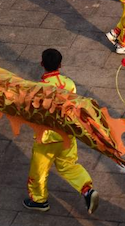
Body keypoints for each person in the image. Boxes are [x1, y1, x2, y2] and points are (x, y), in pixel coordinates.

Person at [23, 48, 100, 215]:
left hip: (46, 138)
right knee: (68, 165)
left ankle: (39, 200)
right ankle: (86, 189)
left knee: (39, 170)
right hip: (67, 133)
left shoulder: (39, 88)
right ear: (60, 64)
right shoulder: (69, 84)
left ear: (42, 64)